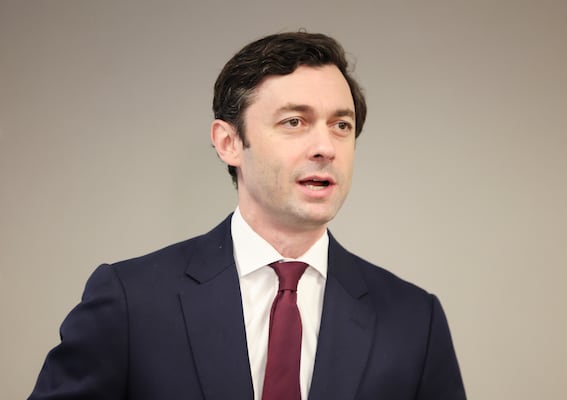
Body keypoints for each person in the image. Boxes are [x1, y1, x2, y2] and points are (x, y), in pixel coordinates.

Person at [29, 32, 467, 400]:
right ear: (229, 143)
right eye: (294, 122)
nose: (326, 147)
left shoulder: (415, 320)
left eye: (341, 126)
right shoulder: (131, 300)